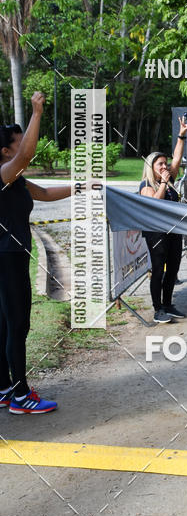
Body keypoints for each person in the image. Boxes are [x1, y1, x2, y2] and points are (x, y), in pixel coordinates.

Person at [0, 92, 74, 413]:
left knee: (5, 324)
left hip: (10, 256)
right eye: (17, 143)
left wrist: (81, 186)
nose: (23, 146)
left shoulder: (14, 179)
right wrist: (37, 111)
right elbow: (27, 155)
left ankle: (5, 388)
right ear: (5, 151)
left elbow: (43, 193)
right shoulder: (3, 174)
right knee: (18, 325)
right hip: (8, 257)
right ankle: (21, 396)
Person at [140, 116, 187, 324]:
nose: (164, 166)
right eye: (160, 164)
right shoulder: (146, 186)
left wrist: (181, 135)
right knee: (159, 271)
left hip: (174, 232)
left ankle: (168, 304)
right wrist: (162, 182)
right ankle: (157, 309)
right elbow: (156, 204)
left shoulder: (168, 178)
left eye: (164, 163)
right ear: (151, 167)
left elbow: (177, 158)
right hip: (157, 235)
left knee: (174, 269)